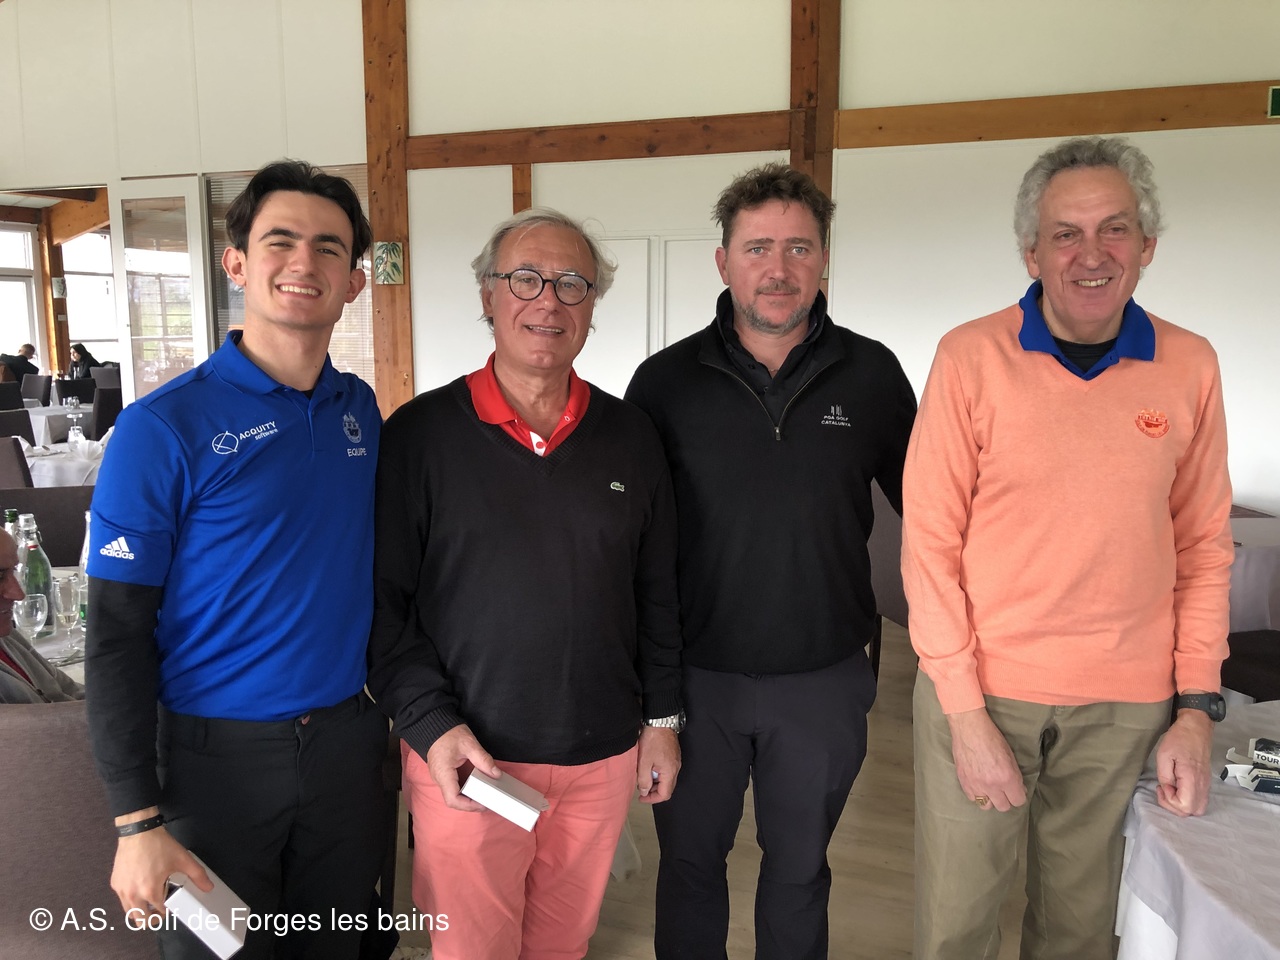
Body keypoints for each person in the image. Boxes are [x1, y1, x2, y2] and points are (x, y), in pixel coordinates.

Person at [902, 136, 1233, 960]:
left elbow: (1203, 547)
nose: (1092, 254)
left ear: (1147, 246)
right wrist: (964, 712)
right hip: (983, 691)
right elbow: (930, 543)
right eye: (1066, 234)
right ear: (1032, 252)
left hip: (1125, 707)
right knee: (956, 930)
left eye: (1114, 229)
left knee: (1081, 936)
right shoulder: (969, 357)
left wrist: (1196, 709)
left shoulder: (1190, 365)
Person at [86, 160, 385, 959]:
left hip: (346, 753)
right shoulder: (162, 427)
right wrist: (135, 820)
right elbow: (115, 634)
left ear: (354, 282)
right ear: (237, 264)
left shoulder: (359, 411)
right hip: (213, 767)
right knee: (219, 953)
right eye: (279, 240)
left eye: (329, 247)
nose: (303, 261)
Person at [367, 207, 683, 960]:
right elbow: (381, 606)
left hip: (600, 757)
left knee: (562, 946)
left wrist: (663, 721)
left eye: (573, 283)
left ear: (592, 305)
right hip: (469, 758)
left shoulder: (631, 436)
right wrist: (430, 725)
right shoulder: (419, 436)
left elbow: (658, 589)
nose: (549, 300)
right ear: (487, 294)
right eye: (526, 279)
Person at [625, 163, 917, 960]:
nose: (778, 269)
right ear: (724, 261)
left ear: (823, 259)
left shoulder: (873, 374)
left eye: (798, 247)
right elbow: (632, 542)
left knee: (799, 871)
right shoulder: (664, 384)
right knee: (690, 868)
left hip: (824, 681)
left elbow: (936, 511)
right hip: (696, 683)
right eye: (757, 248)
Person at [0, 529, 83, 703]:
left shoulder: (7, 636)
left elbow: (68, 689)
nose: (18, 594)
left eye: (13, 571)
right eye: (0, 576)